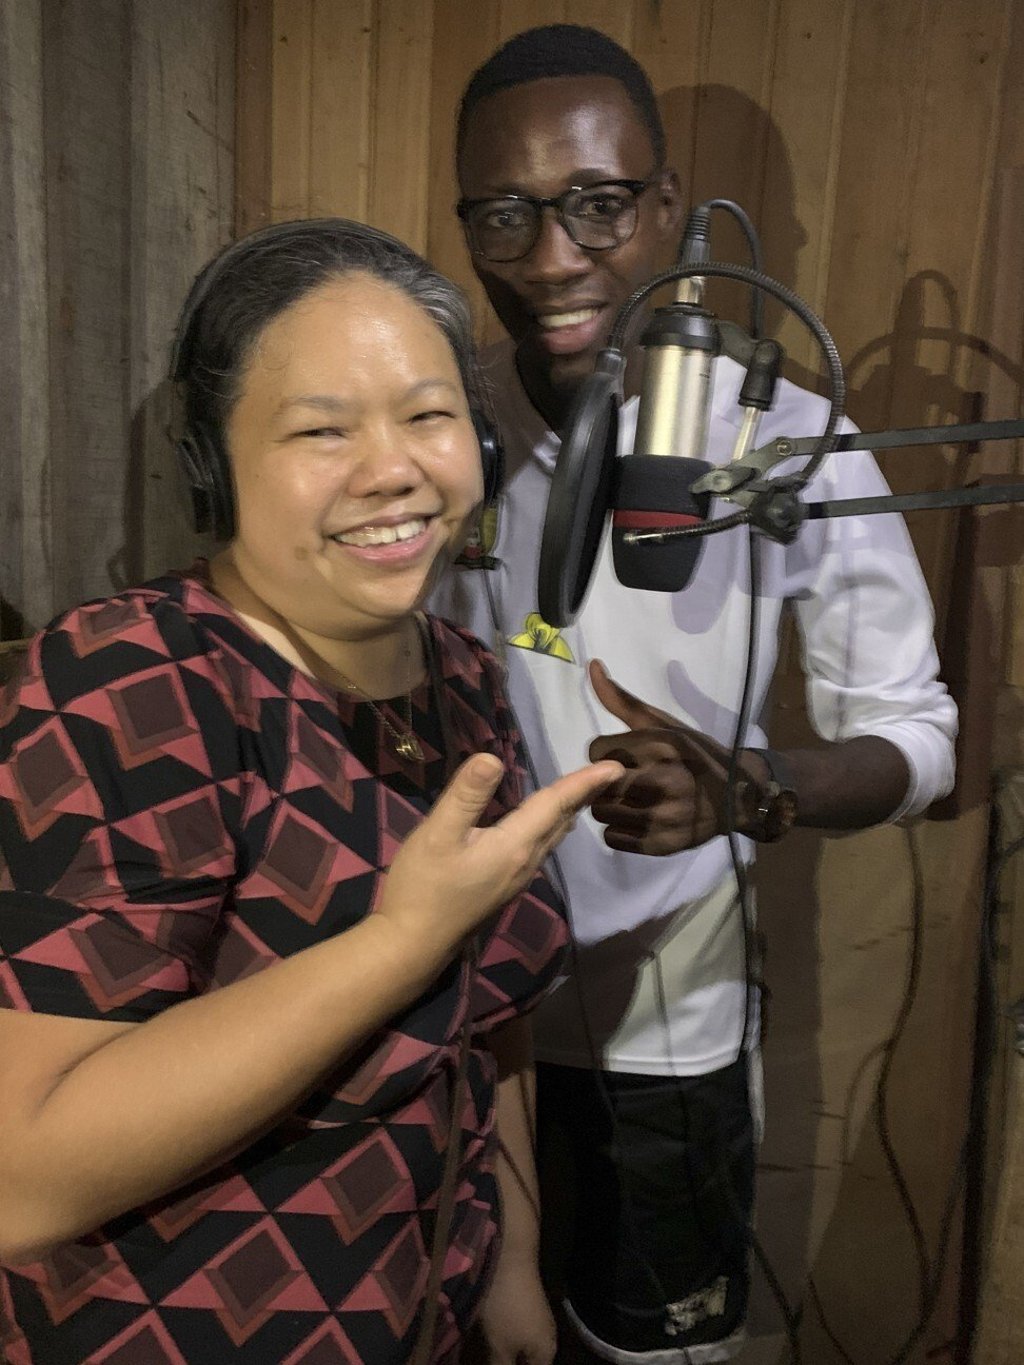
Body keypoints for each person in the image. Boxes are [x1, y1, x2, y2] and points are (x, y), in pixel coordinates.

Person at [0, 217, 623, 1365]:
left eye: (429, 415)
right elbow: (23, 1180)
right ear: (214, 464)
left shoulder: (465, 681)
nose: (393, 468)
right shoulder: (125, 681)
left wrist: (514, 1261)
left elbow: (492, 1024)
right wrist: (397, 944)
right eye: (320, 430)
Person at [433, 25, 959, 1364]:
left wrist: (755, 788)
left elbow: (923, 739)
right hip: (447, 1032)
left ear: (670, 209)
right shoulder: (435, 429)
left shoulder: (786, 436)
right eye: (506, 214)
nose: (555, 257)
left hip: (662, 1042)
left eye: (600, 206)